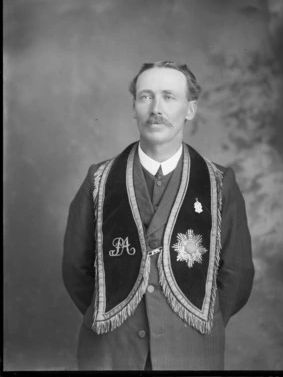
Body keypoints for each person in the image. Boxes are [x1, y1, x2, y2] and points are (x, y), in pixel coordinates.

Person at [62, 60, 255, 371]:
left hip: (191, 349)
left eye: (169, 96)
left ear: (190, 109)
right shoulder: (98, 179)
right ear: (134, 107)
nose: (156, 108)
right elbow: (75, 267)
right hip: (112, 350)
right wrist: (112, 312)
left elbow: (238, 272)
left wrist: (199, 320)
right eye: (145, 96)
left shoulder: (219, 182)